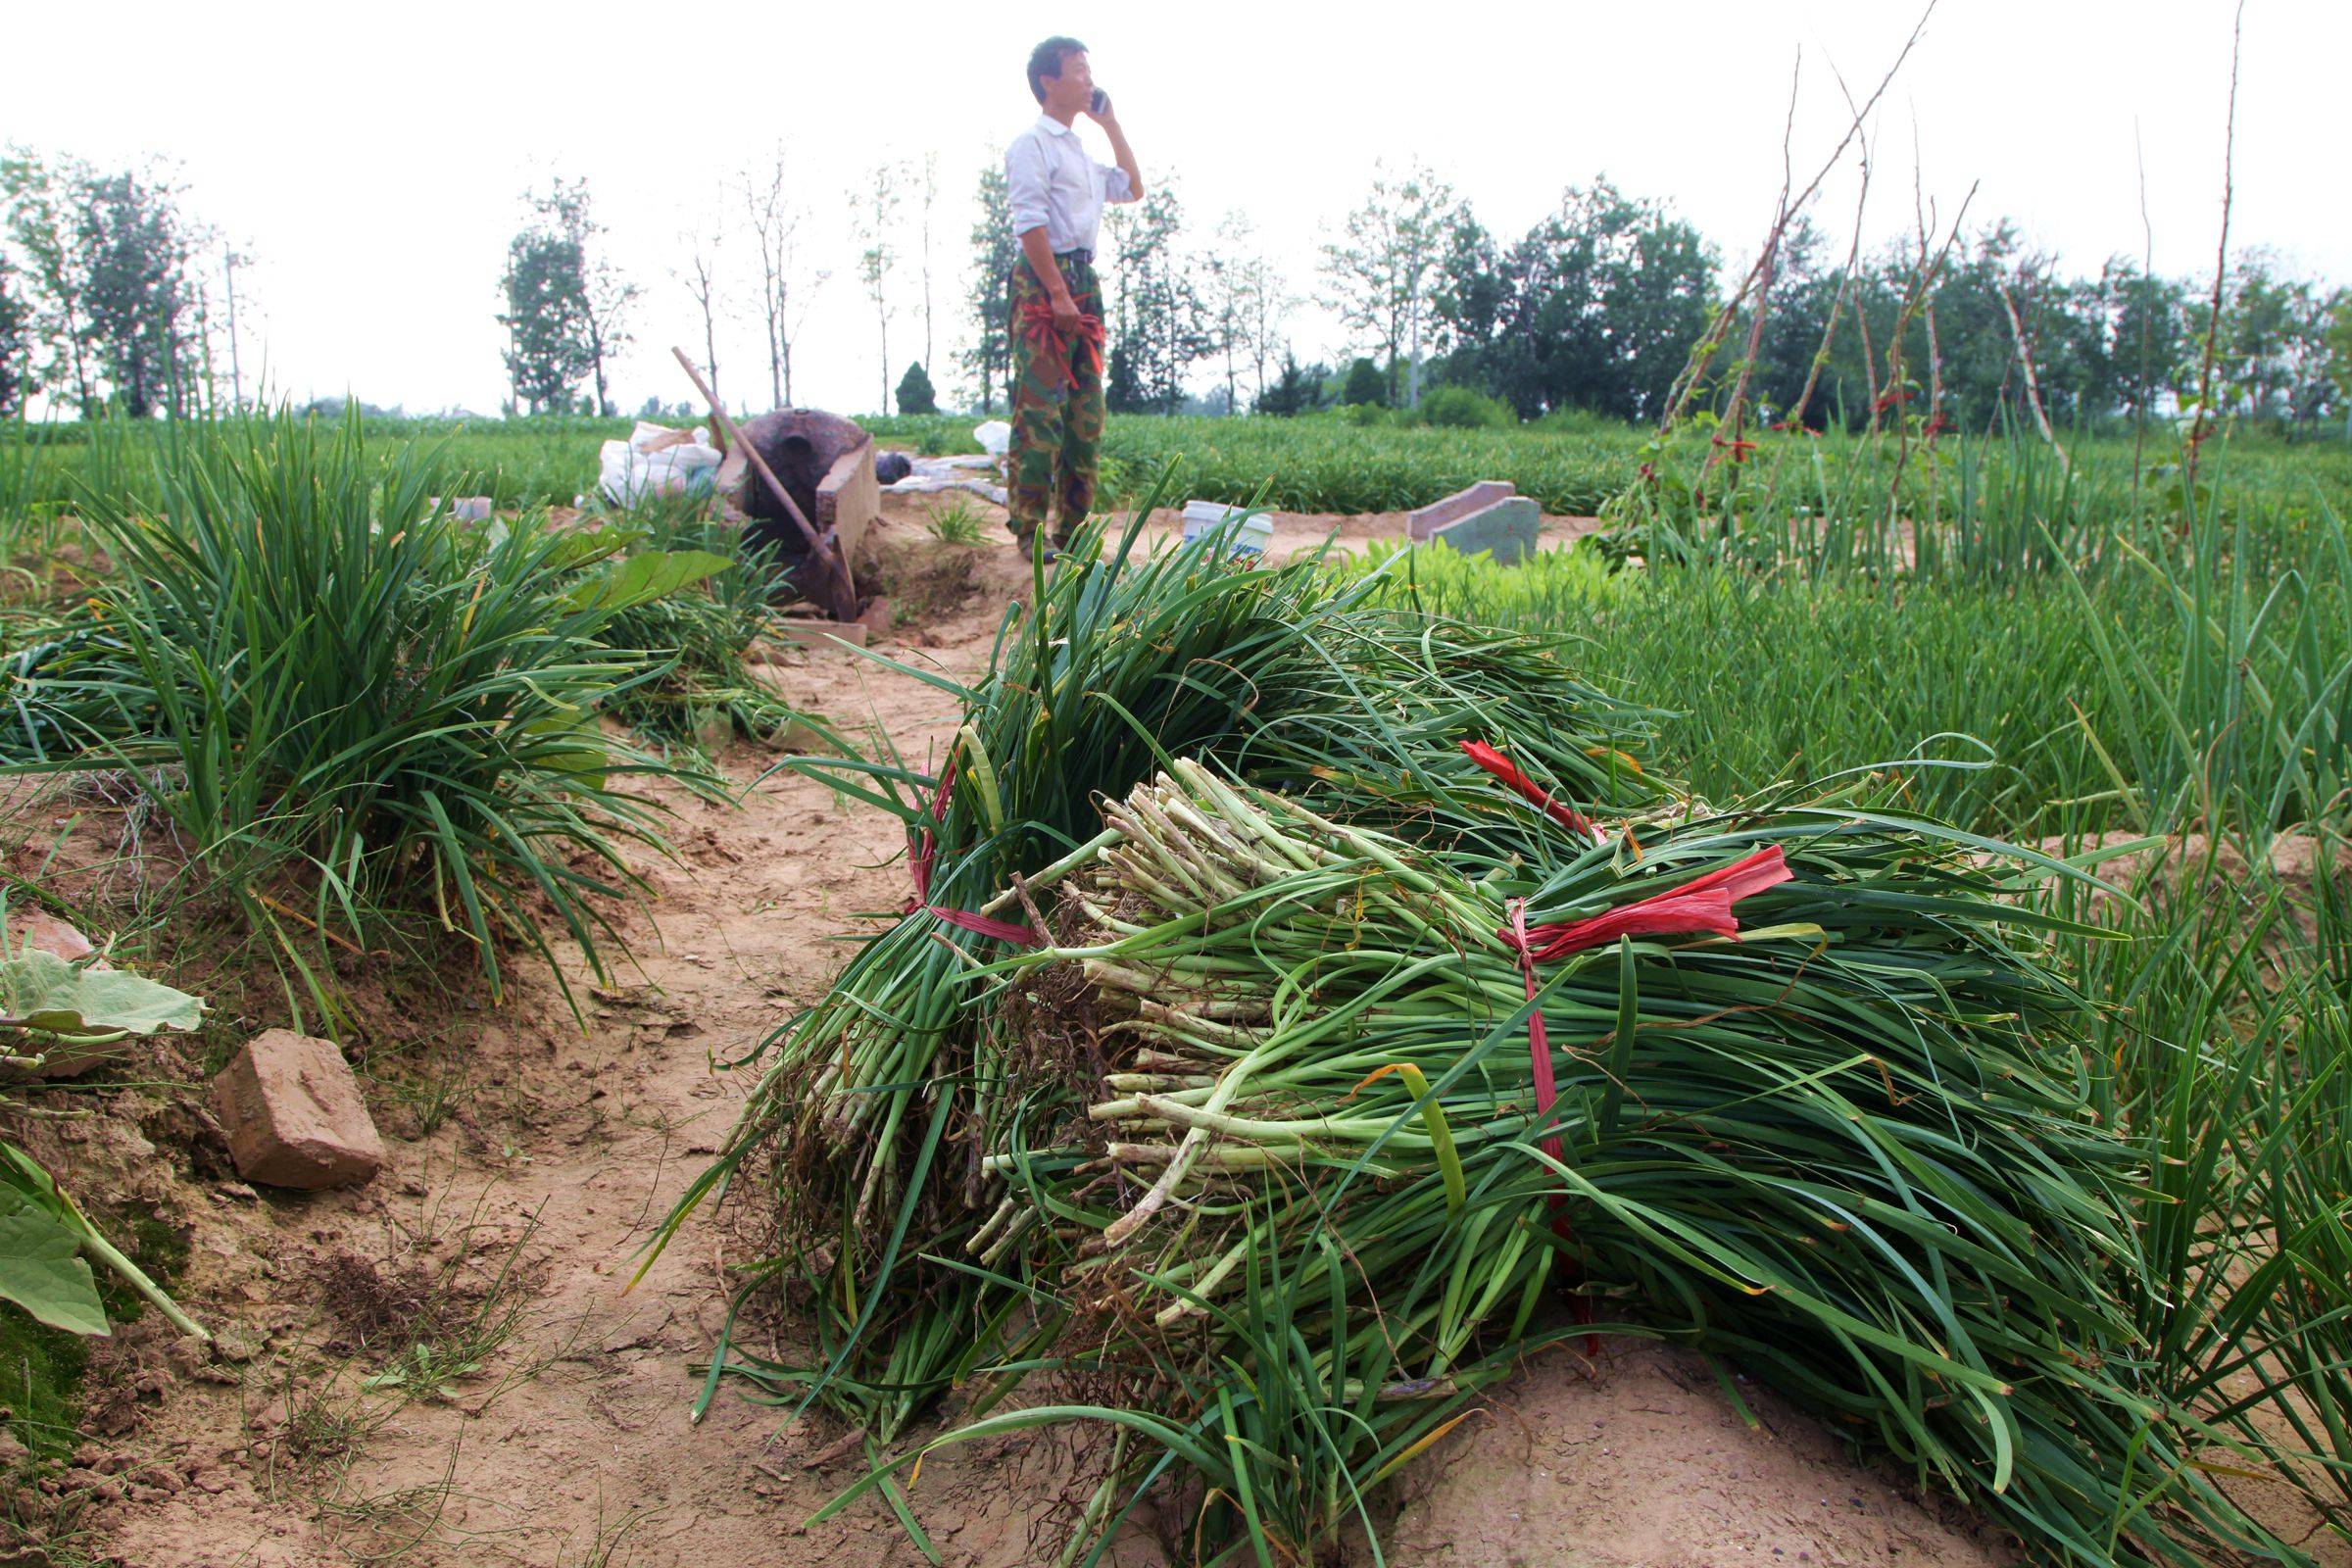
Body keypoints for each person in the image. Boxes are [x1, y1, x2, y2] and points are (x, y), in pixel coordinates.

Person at [1003, 35, 1144, 559]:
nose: (1089, 79)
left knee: (1087, 411)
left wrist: (1110, 124)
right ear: (1048, 81)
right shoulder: (1031, 146)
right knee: (1041, 408)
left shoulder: (1080, 152)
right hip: (1045, 282)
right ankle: (1030, 531)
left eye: (1089, 71)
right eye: (1079, 70)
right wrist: (1058, 296)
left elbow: (1131, 188)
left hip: (1083, 280)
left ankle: (1074, 533)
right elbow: (1030, 223)